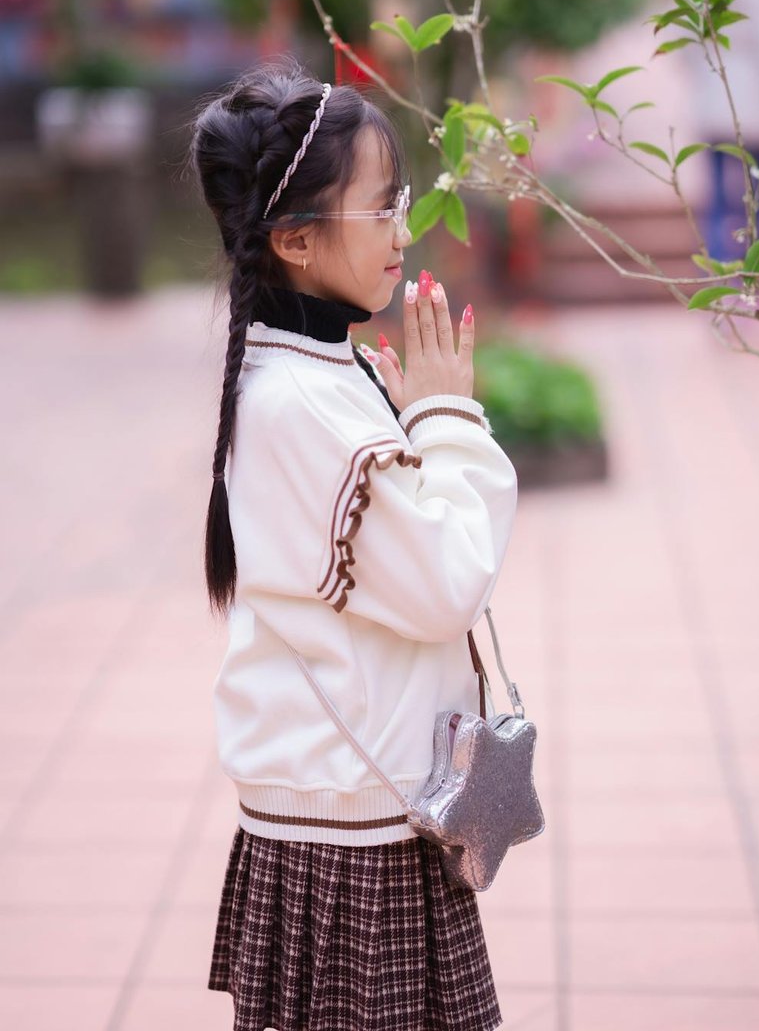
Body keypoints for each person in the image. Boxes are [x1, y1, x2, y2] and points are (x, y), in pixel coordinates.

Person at [191, 60, 518, 1031]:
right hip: (353, 838)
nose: (403, 231)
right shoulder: (305, 404)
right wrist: (451, 416)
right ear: (293, 239)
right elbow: (447, 582)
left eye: (400, 201)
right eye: (381, 210)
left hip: (355, 811)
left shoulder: (306, 372)